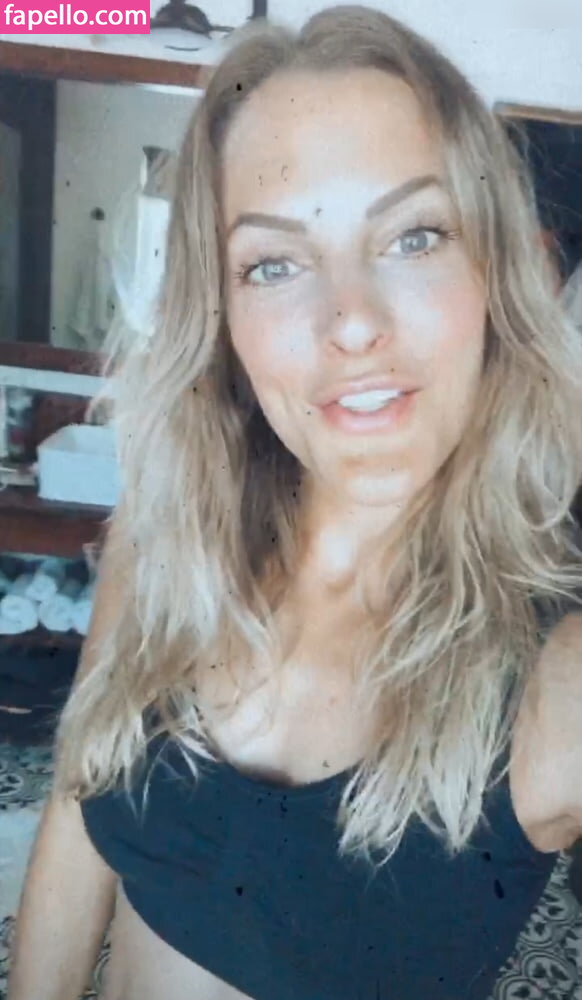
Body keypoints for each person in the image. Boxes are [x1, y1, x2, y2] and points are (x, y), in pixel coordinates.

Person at [8, 5, 582, 999]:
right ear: (222, 314)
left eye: (414, 236)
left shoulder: (557, 676)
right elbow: (77, 804)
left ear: (497, 273)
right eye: (273, 263)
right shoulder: (168, 540)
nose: (351, 322)